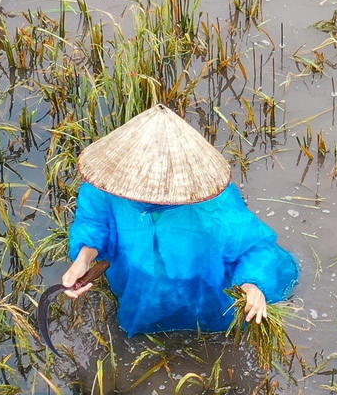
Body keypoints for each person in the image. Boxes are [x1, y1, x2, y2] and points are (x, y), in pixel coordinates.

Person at [60, 104, 301, 337]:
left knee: (208, 327)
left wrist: (250, 285)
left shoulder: (212, 201)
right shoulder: (105, 186)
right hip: (138, 279)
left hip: (199, 280)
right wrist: (83, 260)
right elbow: (94, 225)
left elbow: (253, 246)